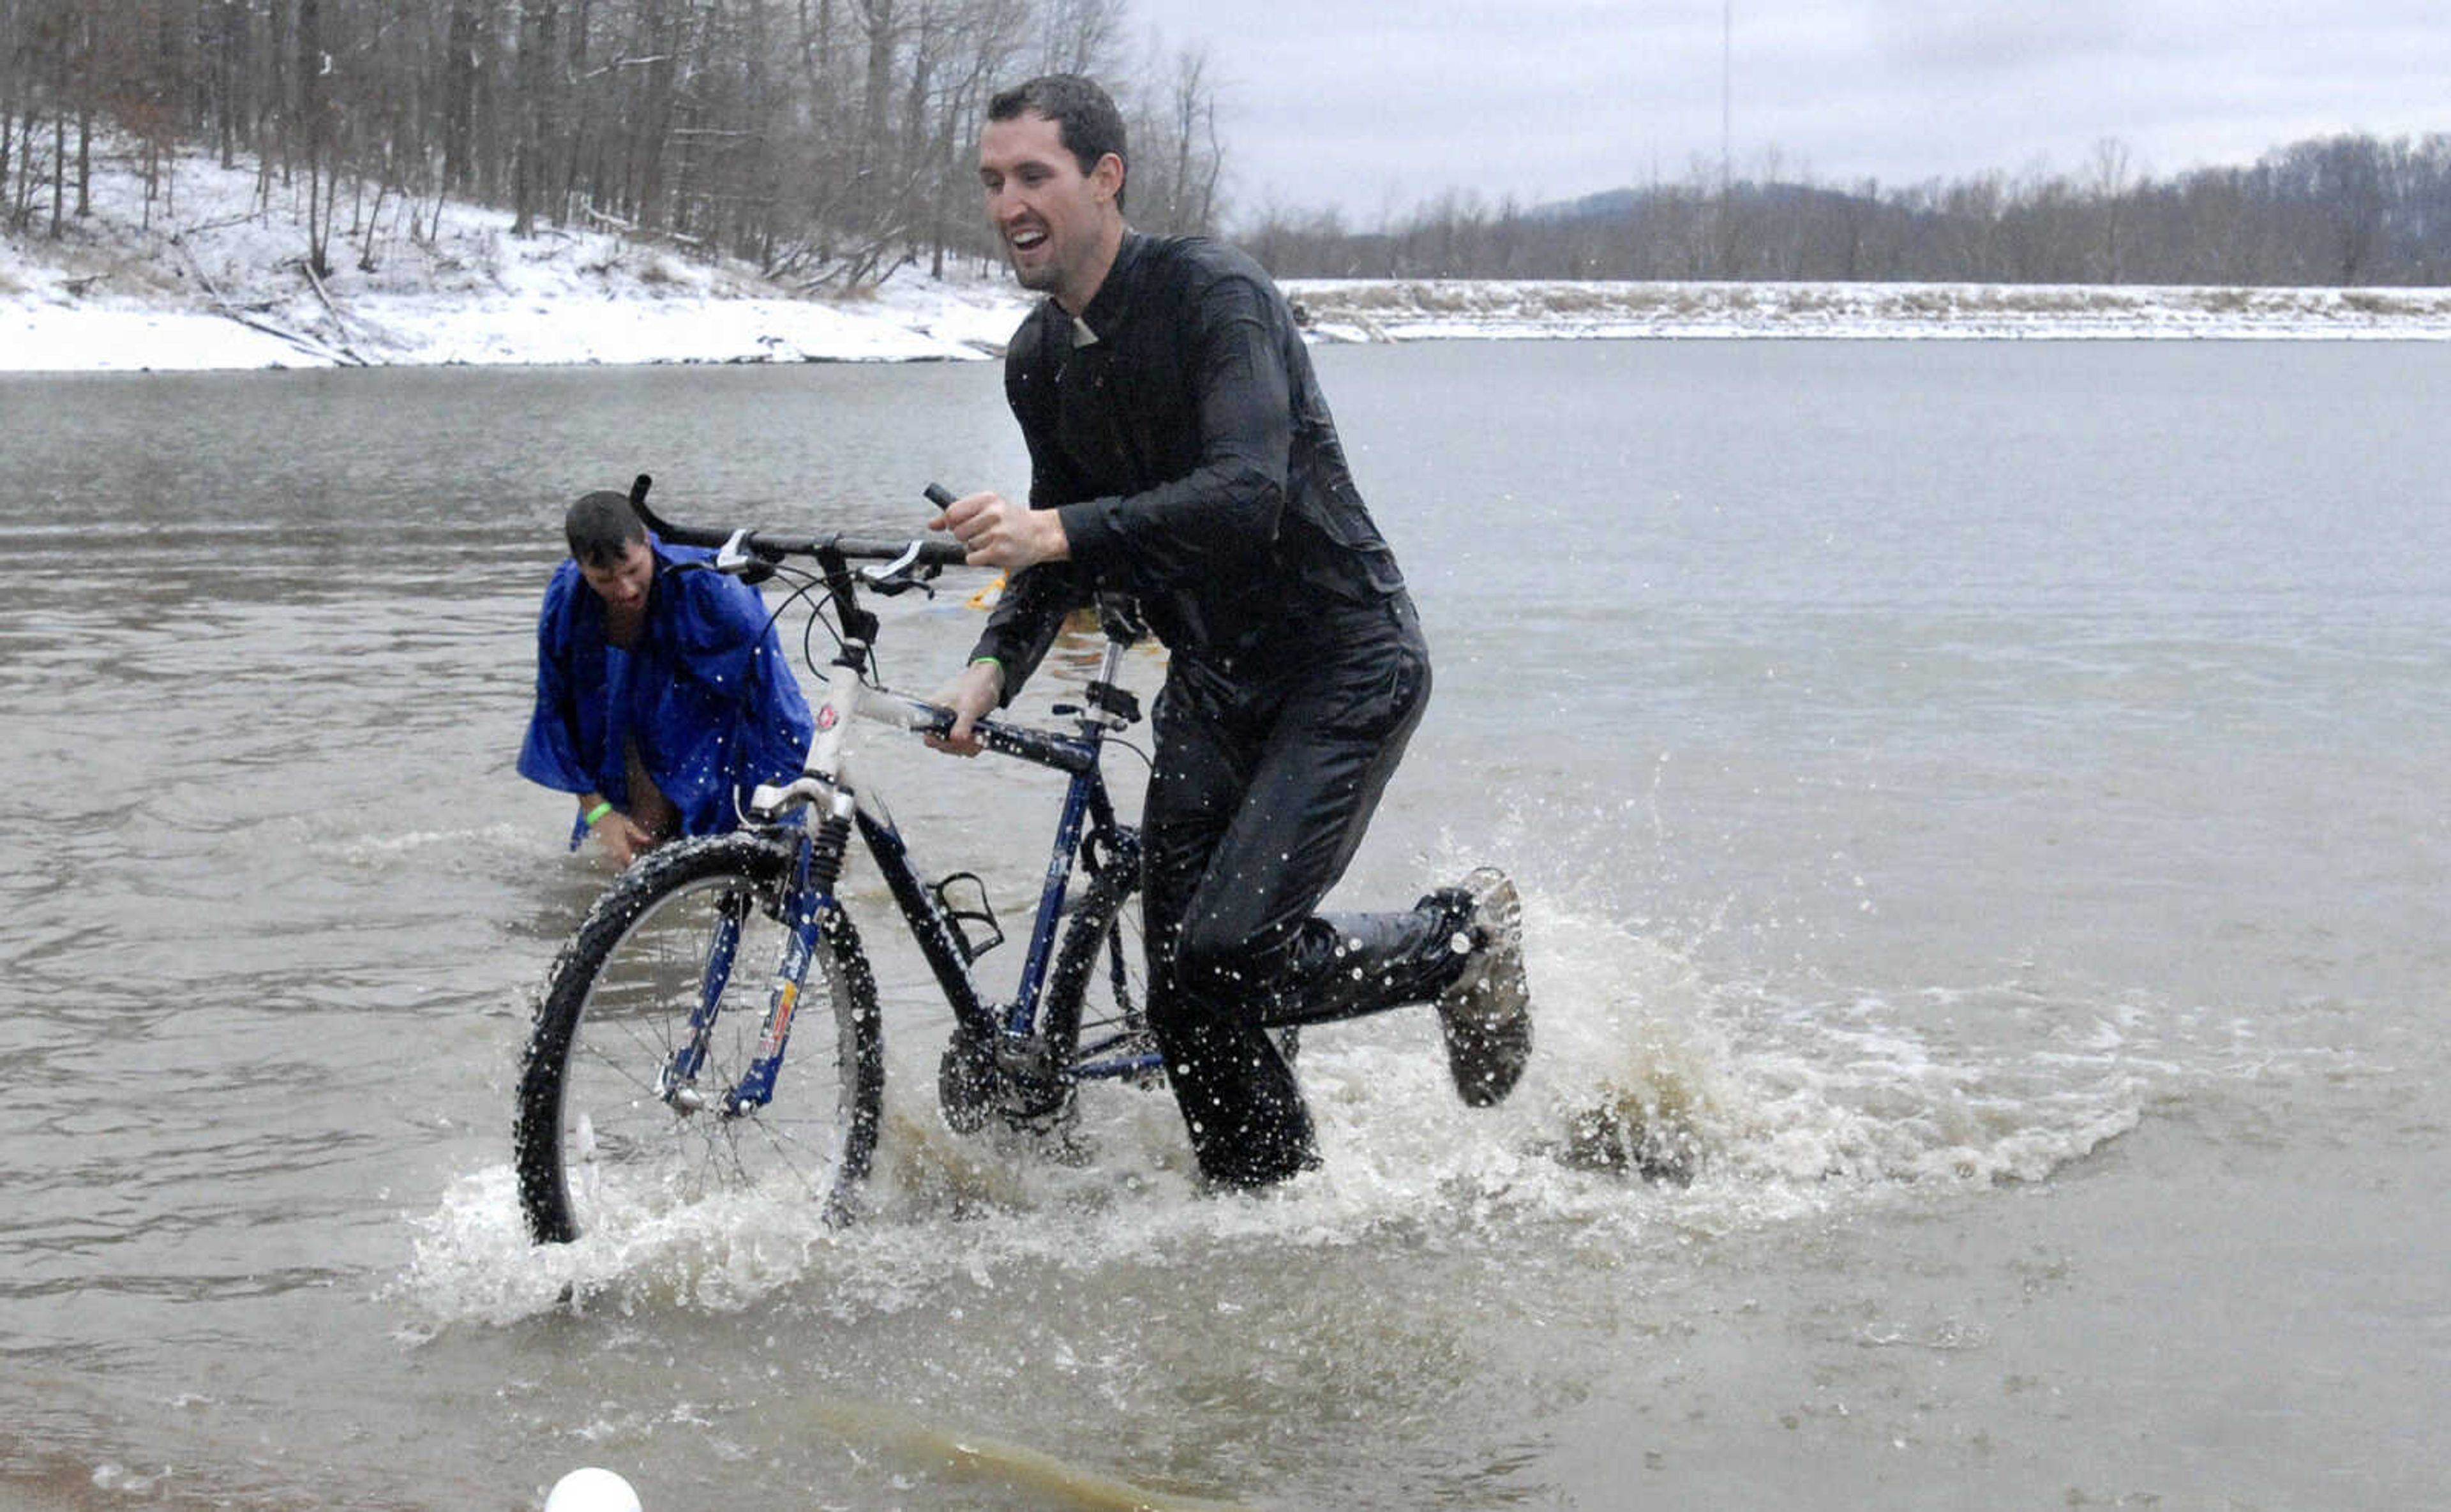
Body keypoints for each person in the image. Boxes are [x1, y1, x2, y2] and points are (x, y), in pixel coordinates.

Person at [926, 73, 1533, 1189]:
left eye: (1034, 176)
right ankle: (1268, 1213)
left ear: (1106, 180)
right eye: (992, 180)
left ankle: (1462, 938)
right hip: (1212, 680)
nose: (1009, 202)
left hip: (1342, 661)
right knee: (1186, 996)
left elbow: (1243, 490)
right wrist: (990, 669)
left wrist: (1053, 526)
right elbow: (1063, 546)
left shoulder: (1216, 294)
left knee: (1226, 953)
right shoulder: (1038, 358)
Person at [518, 490, 815, 867]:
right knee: (637, 841)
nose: (624, 590)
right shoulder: (567, 599)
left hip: (716, 699)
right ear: (579, 567)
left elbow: (776, 702)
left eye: (632, 570)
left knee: (747, 845)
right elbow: (555, 708)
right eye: (604, 579)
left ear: (648, 542)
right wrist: (597, 811)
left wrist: (796, 794)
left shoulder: (714, 591)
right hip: (633, 699)